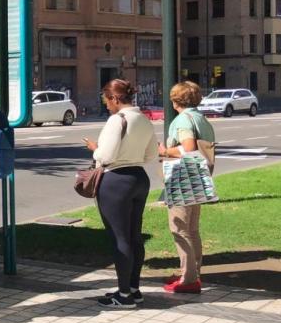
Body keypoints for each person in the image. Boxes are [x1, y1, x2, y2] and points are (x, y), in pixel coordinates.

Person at [83, 78, 158, 309]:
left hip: (115, 180)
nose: (106, 105)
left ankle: (123, 295)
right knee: (134, 235)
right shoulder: (144, 119)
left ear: (115, 98)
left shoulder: (117, 120)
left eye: (107, 100)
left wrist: (95, 149)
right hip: (138, 176)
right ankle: (133, 288)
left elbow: (105, 156)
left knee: (119, 237)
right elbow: (151, 154)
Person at [158, 81, 215, 295]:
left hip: (183, 178)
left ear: (175, 101)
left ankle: (189, 279)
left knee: (179, 227)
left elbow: (188, 148)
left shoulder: (182, 120)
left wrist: (164, 151)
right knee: (192, 228)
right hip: (199, 177)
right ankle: (192, 271)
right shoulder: (201, 119)